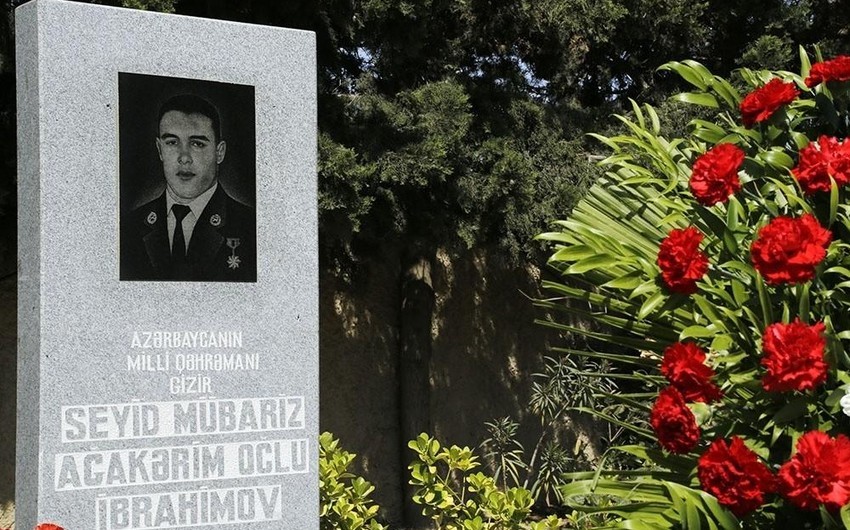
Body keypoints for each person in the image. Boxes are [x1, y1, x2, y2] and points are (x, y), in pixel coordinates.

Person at [120, 94, 256, 282]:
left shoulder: (251, 226)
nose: (184, 157)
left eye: (197, 144)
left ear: (219, 152)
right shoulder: (128, 227)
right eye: (172, 142)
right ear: (159, 149)